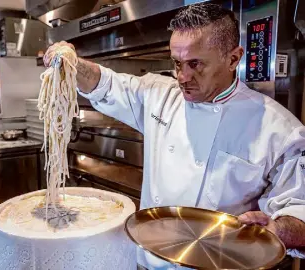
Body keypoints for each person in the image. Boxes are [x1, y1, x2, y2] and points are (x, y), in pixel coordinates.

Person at [44, 2, 305, 269]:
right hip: (150, 261)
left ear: (233, 59)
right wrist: (73, 63)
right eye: (177, 63)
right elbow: (106, 85)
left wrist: (278, 228)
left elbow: (299, 210)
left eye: (195, 64)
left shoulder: (279, 129)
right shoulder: (160, 95)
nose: (182, 76)